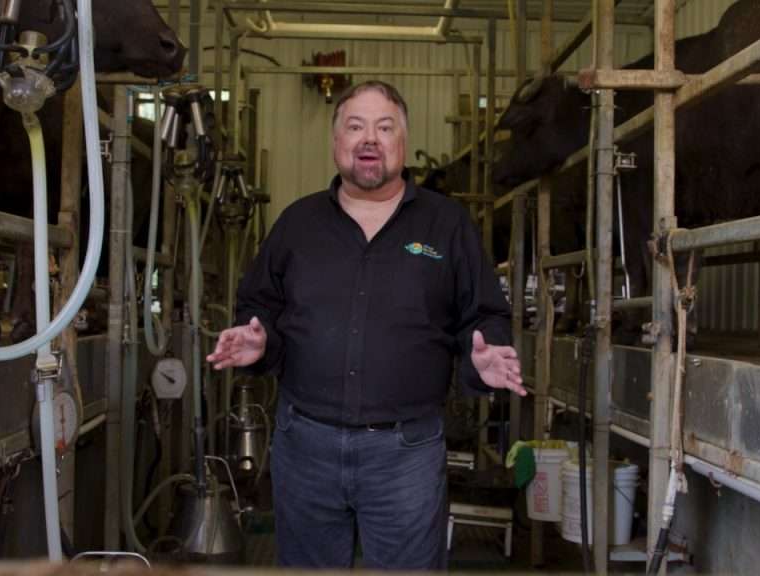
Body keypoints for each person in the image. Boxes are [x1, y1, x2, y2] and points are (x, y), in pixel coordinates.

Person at [207, 80, 525, 570]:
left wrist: (485, 355)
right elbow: (258, 306)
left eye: (384, 127)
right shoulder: (297, 224)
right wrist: (258, 337)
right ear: (336, 143)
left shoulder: (447, 225)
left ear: (402, 140)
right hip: (305, 446)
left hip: (407, 454)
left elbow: (484, 314)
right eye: (355, 127)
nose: (369, 138)